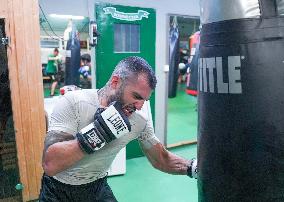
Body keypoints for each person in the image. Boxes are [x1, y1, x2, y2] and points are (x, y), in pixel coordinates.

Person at [39, 56, 197, 202]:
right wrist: (99, 133)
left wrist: (193, 168)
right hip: (57, 190)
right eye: (136, 97)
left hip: (96, 187)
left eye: (145, 100)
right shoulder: (75, 102)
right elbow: (50, 164)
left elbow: (161, 159)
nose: (140, 106)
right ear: (115, 82)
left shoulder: (139, 119)